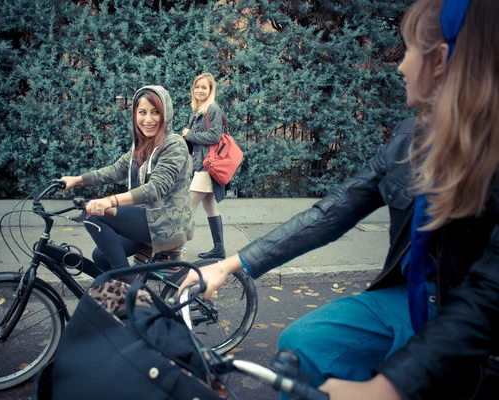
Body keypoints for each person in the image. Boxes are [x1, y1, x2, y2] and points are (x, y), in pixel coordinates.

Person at [180, 0, 499, 398]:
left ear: (440, 61)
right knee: (305, 343)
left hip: (470, 318)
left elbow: (488, 294)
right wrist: (229, 266)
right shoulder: (409, 138)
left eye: (410, 50)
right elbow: (333, 211)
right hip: (411, 296)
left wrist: (389, 386)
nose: (400, 66)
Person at [60, 85, 194, 279]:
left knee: (95, 217)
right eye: (142, 112)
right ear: (135, 114)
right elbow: (115, 170)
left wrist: (110, 201)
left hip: (165, 222)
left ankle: (128, 285)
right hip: (147, 218)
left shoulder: (174, 144)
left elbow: (155, 188)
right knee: (101, 257)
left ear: (166, 114)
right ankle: (121, 303)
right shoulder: (142, 145)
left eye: (155, 112)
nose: (148, 120)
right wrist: (77, 180)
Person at [181, 72, 228, 259]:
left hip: (207, 167)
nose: (200, 90)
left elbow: (214, 136)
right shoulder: (198, 111)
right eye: (197, 87)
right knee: (210, 206)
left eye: (204, 87)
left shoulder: (213, 109)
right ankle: (219, 248)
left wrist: (189, 134)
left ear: (210, 90)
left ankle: (176, 250)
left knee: (186, 208)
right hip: (201, 165)